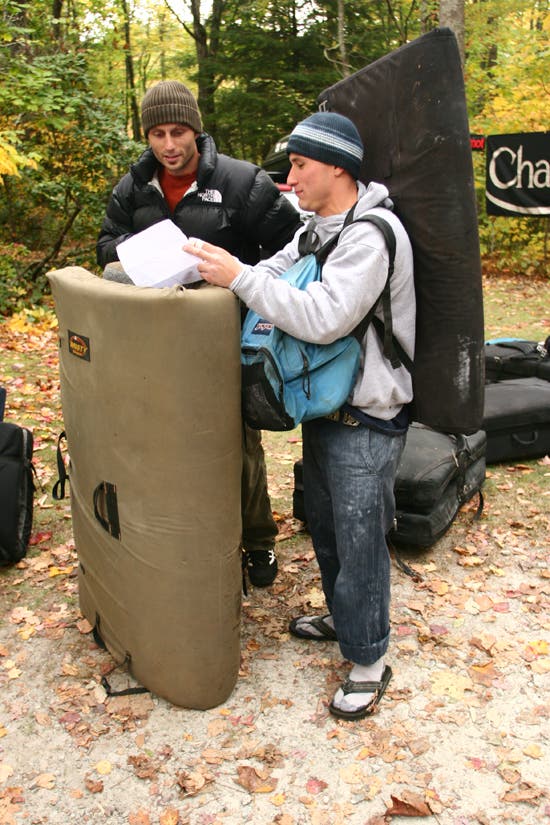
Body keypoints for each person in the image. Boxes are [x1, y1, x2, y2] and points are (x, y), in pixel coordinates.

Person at [185, 112, 416, 719]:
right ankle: (345, 621)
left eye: (300, 165)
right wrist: (227, 271)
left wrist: (241, 279)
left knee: (361, 537)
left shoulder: (371, 235)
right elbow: (273, 273)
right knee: (327, 523)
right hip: (326, 405)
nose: (290, 178)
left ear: (337, 166)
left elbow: (324, 317)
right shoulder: (317, 228)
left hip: (366, 413)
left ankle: (368, 660)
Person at [97, 80, 302, 587]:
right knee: (166, 444)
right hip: (154, 344)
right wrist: (143, 253)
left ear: (196, 129)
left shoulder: (241, 182)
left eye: (179, 132)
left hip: (225, 341)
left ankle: (258, 541)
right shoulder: (133, 186)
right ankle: (184, 538)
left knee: (237, 447)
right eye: (158, 134)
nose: (169, 146)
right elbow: (104, 246)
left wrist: (236, 278)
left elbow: (294, 249)